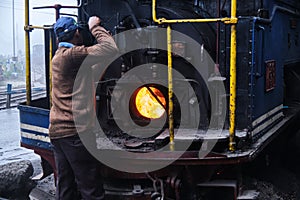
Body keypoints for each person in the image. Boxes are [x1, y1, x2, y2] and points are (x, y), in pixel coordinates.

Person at [49, 16, 118, 200]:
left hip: (58, 133)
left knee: (66, 187)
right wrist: (95, 27)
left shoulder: (59, 56)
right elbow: (110, 48)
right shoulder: (72, 56)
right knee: (91, 189)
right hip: (74, 133)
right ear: (77, 34)